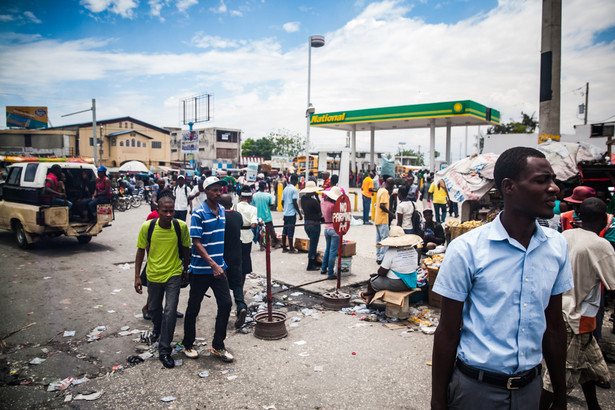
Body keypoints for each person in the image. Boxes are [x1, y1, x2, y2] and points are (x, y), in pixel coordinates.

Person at [431, 146, 573, 410]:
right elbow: (448, 332)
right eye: (541, 181)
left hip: (530, 388)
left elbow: (554, 327)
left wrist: (560, 395)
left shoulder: (556, 246)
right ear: (509, 187)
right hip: (476, 391)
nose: (554, 188)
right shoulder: (467, 249)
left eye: (553, 180)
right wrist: (438, 401)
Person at [540, 197, 615, 410]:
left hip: (559, 310)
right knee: (559, 375)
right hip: (576, 317)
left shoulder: (564, 235)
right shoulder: (601, 245)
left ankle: (594, 406)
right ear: (604, 220)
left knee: (589, 368)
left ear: (578, 216)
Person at [180, 176, 234, 362]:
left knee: (226, 304)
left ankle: (218, 345)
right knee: (194, 308)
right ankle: (187, 344)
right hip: (202, 269)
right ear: (205, 191)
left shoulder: (221, 210)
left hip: (219, 268)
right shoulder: (198, 214)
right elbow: (195, 242)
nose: (219, 193)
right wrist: (212, 264)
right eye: (214, 190)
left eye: (220, 190)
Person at [134, 195, 190, 369]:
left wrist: (185, 270)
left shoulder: (180, 227)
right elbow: (140, 252)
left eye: (171, 211)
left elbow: (186, 250)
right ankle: (157, 329)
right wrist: (137, 276)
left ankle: (165, 350)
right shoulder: (148, 227)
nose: (168, 214)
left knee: (170, 311)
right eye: (164, 211)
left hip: (173, 274)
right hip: (153, 275)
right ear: (157, 211)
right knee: (154, 309)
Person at [359, 226, 423, 304]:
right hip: (412, 282)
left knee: (372, 281)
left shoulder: (391, 252)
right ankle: (370, 295)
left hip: (397, 284)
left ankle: (369, 296)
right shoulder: (412, 249)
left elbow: (381, 272)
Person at [219, 194, 248, 329]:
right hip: (237, 255)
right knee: (237, 284)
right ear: (231, 203)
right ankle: (241, 306)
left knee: (222, 287)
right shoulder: (237, 216)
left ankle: (224, 314)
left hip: (222, 256)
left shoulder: (219, 217)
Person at [234, 186, 258, 279]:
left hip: (236, 235)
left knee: (235, 260)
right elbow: (253, 225)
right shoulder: (253, 209)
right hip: (247, 237)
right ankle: (241, 287)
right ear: (250, 198)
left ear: (241, 197)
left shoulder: (235, 206)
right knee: (245, 261)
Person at [300, 181, 323, 271]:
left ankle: (313, 260)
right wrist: (317, 198)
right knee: (313, 244)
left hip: (307, 223)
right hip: (314, 224)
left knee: (312, 243)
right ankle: (310, 264)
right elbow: (320, 211)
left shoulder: (303, 199)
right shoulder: (313, 201)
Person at [320, 187, 342, 279]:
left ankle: (323, 268)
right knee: (333, 252)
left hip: (326, 229)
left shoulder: (323, 202)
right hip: (334, 230)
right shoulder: (333, 206)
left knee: (327, 250)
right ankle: (330, 273)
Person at [252, 180, 279, 249]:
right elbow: (271, 205)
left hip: (258, 216)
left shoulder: (254, 195)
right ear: (265, 187)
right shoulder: (268, 195)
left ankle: (261, 245)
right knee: (271, 230)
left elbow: (252, 205)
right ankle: (276, 243)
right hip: (267, 216)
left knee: (259, 231)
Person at [375, 177, 395, 264]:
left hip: (377, 218)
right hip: (383, 219)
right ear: (390, 185)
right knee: (385, 239)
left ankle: (379, 256)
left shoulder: (380, 189)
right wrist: (391, 213)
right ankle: (382, 258)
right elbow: (382, 205)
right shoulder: (385, 192)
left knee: (379, 239)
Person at [281, 174, 303, 253]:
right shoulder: (294, 189)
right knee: (291, 231)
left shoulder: (285, 189)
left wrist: (285, 208)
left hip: (286, 213)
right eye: (297, 181)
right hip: (291, 213)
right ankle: (291, 248)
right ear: (295, 180)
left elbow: (282, 202)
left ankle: (284, 247)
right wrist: (299, 213)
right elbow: (294, 202)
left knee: (285, 230)